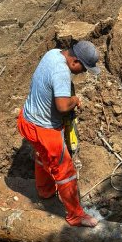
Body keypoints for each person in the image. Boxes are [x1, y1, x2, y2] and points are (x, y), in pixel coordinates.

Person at [17, 41, 101, 228]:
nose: (84, 72)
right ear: (75, 61)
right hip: (44, 129)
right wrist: (75, 100)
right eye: (84, 68)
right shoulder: (62, 72)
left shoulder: (53, 53)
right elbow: (62, 106)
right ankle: (75, 216)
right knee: (65, 171)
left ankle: (45, 191)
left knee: (42, 156)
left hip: (27, 120)